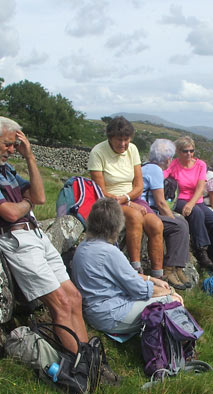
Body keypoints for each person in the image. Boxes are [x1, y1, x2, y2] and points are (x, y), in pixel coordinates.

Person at [0, 116, 88, 352]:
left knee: (74, 297)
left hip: (36, 235)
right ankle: (79, 362)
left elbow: (39, 197)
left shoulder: (5, 170)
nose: (12, 150)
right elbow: (10, 213)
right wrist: (26, 202)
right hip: (15, 238)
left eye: (15, 145)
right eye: (7, 144)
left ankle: (87, 356)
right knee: (60, 303)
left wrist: (30, 157)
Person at [72, 198, 184, 334]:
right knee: (174, 302)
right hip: (111, 315)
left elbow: (126, 275)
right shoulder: (109, 252)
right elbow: (139, 290)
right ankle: (173, 349)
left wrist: (151, 279)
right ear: (117, 224)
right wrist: (170, 292)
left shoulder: (86, 245)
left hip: (95, 310)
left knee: (164, 297)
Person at [88, 116, 164, 278]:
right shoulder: (98, 153)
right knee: (135, 217)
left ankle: (158, 274)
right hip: (108, 202)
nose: (123, 144)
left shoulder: (133, 150)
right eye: (119, 140)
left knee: (156, 225)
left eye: (126, 140)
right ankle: (136, 269)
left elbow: (139, 186)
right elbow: (99, 190)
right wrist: (126, 203)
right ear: (110, 138)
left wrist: (127, 199)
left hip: (129, 198)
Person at [164, 136, 213, 272]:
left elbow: (200, 187)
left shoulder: (200, 165)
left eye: (191, 151)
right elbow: (162, 174)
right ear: (178, 152)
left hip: (196, 200)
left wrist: (191, 203)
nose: (189, 154)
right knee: (197, 213)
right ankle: (201, 251)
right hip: (179, 199)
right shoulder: (173, 164)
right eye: (185, 151)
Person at [141, 139, 191, 290]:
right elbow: (161, 203)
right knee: (179, 226)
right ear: (167, 158)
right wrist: (172, 217)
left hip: (145, 209)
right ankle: (170, 270)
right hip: (146, 211)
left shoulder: (146, 167)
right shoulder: (155, 170)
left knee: (181, 222)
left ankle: (177, 268)